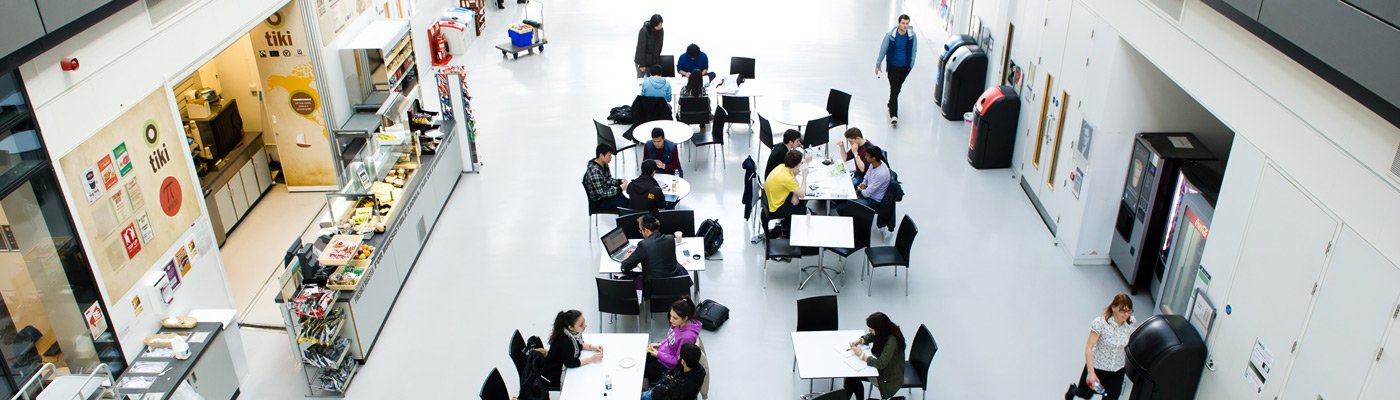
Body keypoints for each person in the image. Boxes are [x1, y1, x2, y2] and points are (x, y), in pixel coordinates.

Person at [1066, 294, 1138, 400]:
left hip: (1117, 370)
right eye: (1122, 311)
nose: (1126, 314)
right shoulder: (1100, 323)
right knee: (1085, 394)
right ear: (1114, 308)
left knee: (1111, 398)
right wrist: (1091, 373)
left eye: (1129, 311)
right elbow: (1089, 347)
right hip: (1098, 367)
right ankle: (1073, 390)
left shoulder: (1130, 322)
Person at [844, 312, 907, 400]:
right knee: (853, 378)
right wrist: (861, 340)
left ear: (879, 329)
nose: (870, 331)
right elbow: (872, 336)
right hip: (886, 367)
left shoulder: (892, 342)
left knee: (852, 378)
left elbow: (881, 364)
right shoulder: (888, 330)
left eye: (872, 330)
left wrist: (861, 355)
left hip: (887, 376)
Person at [644, 298, 703, 381]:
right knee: (640, 359)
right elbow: (671, 337)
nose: (671, 320)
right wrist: (660, 344)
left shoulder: (687, 337)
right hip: (662, 354)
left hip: (667, 365)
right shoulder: (678, 323)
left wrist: (658, 354)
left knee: (640, 370)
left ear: (685, 318)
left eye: (675, 318)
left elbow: (677, 361)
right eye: (671, 316)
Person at [544, 310, 604, 386]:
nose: (585, 325)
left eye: (584, 322)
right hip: (555, 375)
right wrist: (592, 359)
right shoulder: (565, 341)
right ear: (571, 327)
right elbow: (571, 363)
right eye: (581, 325)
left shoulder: (571, 334)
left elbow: (578, 344)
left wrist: (592, 347)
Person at [875, 14, 917, 125]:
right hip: (893, 67)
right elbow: (883, 50)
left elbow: (913, 52)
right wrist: (878, 64)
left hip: (905, 68)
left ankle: (890, 104)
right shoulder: (890, 36)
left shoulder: (912, 36)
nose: (905, 26)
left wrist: (910, 66)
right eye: (903, 23)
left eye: (907, 23)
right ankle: (894, 115)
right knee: (894, 89)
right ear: (899, 23)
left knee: (897, 89)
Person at [620, 215, 686, 282]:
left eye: (641, 231)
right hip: (676, 284)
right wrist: (638, 251)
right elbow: (657, 249)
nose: (641, 233)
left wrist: (626, 258)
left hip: (655, 287)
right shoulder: (670, 239)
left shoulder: (643, 245)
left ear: (646, 230)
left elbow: (625, 268)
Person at [764, 150, 810, 236]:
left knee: (799, 201)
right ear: (796, 165)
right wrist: (804, 176)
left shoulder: (782, 167)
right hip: (776, 207)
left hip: (772, 200)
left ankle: (789, 223)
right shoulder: (786, 177)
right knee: (806, 210)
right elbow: (802, 193)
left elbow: (793, 177)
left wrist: (794, 195)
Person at [838, 146, 889, 215]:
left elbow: (867, 194)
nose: (865, 157)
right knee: (840, 199)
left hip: (873, 200)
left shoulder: (881, 174)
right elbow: (866, 176)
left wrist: (859, 189)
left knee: (841, 208)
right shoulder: (873, 164)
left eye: (867, 156)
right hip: (866, 192)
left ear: (873, 158)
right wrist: (863, 184)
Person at [583, 144, 629, 211]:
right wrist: (619, 189)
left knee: (628, 200)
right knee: (626, 205)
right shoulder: (595, 171)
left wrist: (619, 181)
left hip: (608, 194)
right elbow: (601, 194)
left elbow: (608, 180)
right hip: (600, 201)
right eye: (609, 155)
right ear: (601, 155)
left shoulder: (604, 164)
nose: (611, 157)